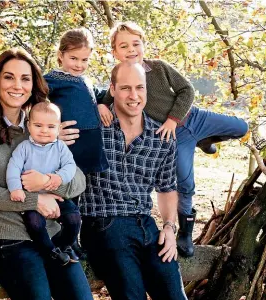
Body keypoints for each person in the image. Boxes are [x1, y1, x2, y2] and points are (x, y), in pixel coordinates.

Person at [98, 22, 249, 257]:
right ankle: (185, 233)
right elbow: (108, 96)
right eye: (123, 46)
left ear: (144, 45)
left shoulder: (158, 68)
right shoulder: (121, 77)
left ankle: (206, 139)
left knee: (241, 127)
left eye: (136, 44)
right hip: (175, 138)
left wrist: (172, 118)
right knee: (185, 182)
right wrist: (100, 105)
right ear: (115, 52)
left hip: (193, 118)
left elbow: (186, 90)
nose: (131, 50)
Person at [0, 48, 94, 300]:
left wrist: (48, 182)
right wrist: (36, 200)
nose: (17, 85)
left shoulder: (42, 126)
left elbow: (78, 181)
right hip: (11, 240)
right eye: (9, 77)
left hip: (54, 236)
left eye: (25, 78)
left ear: (33, 85)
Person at [78, 61, 188, 300]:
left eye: (140, 87)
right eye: (126, 88)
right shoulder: (93, 130)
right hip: (103, 223)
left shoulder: (161, 138)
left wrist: (169, 227)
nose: (134, 95)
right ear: (113, 89)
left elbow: (167, 188)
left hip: (146, 226)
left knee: (175, 296)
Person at [6, 102, 81, 265]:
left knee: (74, 219)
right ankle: (50, 251)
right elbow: (13, 167)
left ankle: (64, 245)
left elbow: (70, 166)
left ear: (59, 128)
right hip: (33, 199)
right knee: (35, 224)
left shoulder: (60, 147)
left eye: (51, 126)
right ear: (29, 125)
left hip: (56, 196)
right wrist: (15, 189)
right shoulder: (24, 148)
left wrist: (58, 178)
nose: (44, 130)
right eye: (38, 125)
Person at [44, 27, 109, 175]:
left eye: (84, 60)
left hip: (91, 147)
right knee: (67, 189)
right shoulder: (53, 79)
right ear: (61, 55)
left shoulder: (85, 80)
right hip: (72, 144)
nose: (79, 65)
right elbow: (33, 98)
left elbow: (101, 94)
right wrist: (50, 129)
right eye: (73, 58)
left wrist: (102, 104)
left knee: (86, 191)